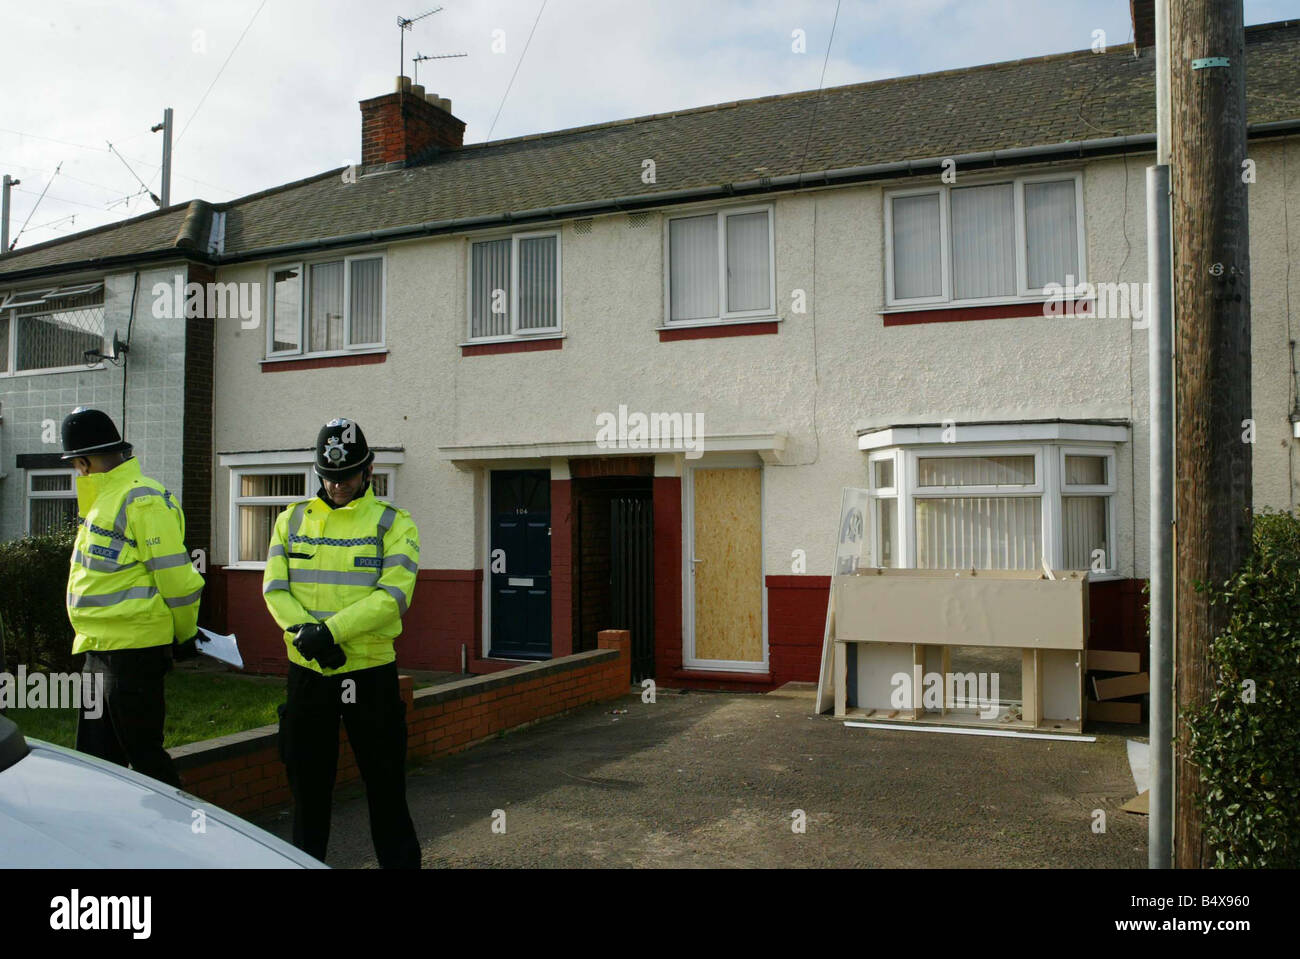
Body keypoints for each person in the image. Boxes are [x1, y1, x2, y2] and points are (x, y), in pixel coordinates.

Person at [263, 417, 421, 869]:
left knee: (386, 790)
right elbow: (275, 589)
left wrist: (330, 633)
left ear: (367, 471)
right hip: (309, 676)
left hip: (369, 676)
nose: (337, 486)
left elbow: (392, 597)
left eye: (346, 476)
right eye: (329, 477)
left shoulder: (394, 523)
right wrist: (308, 638)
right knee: (308, 793)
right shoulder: (290, 520)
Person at [62, 407, 205, 787]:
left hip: (133, 654)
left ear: (83, 461)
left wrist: (185, 634)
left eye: (76, 465)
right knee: (96, 759)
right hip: (99, 650)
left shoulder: (141, 499)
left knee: (144, 759)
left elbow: (178, 580)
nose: (76, 471)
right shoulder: (103, 501)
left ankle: (174, 837)